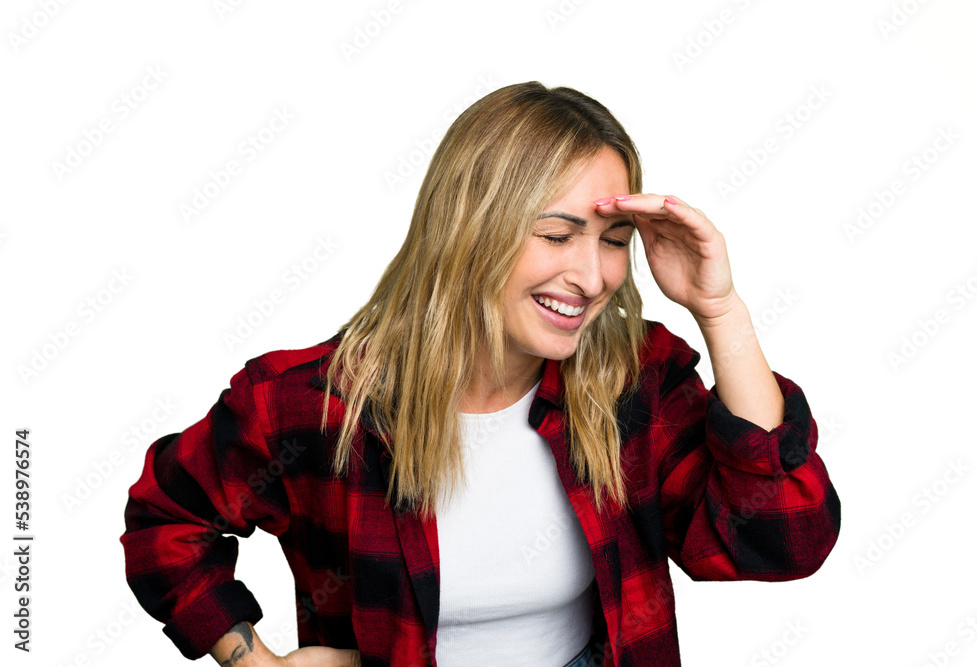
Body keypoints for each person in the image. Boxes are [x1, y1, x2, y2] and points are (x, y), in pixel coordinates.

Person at [120, 81, 840, 667]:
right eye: (557, 235)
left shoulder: (633, 381)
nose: (592, 277)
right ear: (470, 229)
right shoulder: (312, 403)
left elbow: (781, 541)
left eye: (614, 241)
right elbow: (166, 519)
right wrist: (252, 660)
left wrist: (720, 311)